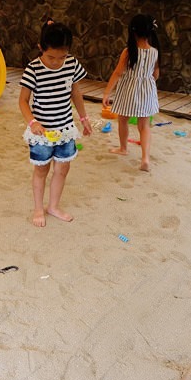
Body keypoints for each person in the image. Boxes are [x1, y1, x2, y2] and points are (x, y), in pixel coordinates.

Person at [19, 19, 92, 227]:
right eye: (51, 56)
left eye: (62, 56)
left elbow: (76, 93)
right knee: (41, 170)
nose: (56, 62)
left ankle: (53, 206)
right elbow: (23, 101)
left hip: (66, 129)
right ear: (41, 48)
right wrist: (32, 122)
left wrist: (84, 119)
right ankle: (38, 208)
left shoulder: (71, 64)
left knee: (62, 169)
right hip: (41, 132)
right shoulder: (33, 69)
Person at [102, 14, 160, 172]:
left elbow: (118, 73)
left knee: (123, 120)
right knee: (144, 125)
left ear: (133, 32)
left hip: (128, 90)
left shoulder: (129, 51)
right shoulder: (154, 52)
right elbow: (156, 75)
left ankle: (123, 148)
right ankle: (145, 158)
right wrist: (146, 80)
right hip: (147, 90)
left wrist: (107, 93)